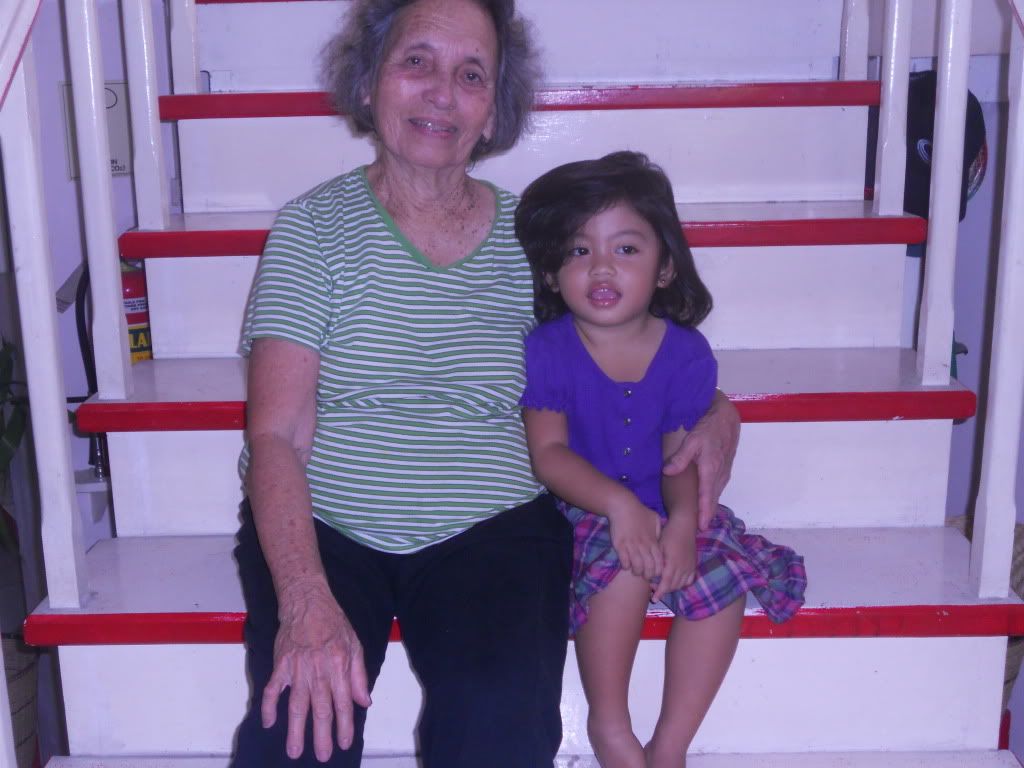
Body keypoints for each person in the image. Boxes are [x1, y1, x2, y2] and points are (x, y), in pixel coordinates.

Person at [231, 1, 741, 765]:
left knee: (499, 729)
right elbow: (274, 433)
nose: (442, 92)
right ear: (369, 81)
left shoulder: (537, 239)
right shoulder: (312, 230)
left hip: (494, 527)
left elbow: (630, 346)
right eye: (417, 62)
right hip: (327, 523)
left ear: (494, 109)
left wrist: (718, 412)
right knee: (296, 737)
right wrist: (304, 599)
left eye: (471, 75)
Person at [515, 151, 807, 768]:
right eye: (578, 250)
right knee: (623, 567)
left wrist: (681, 523)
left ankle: (671, 744)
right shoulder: (548, 349)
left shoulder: (686, 353)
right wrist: (619, 506)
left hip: (669, 499)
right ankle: (610, 725)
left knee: (719, 579)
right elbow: (549, 455)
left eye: (626, 249)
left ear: (666, 267)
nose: (601, 266)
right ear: (552, 274)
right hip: (585, 507)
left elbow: (680, 455)